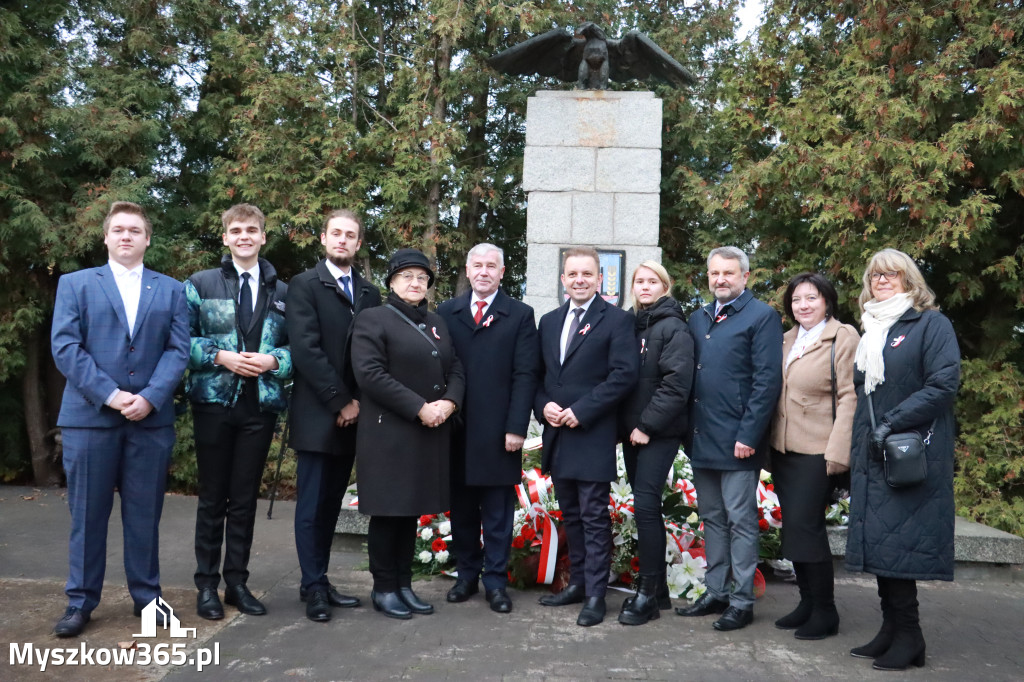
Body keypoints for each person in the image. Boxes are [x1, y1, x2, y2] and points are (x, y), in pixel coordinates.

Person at [50, 201, 190, 637]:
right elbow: (66, 347)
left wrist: (149, 397)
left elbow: (178, 350)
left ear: (147, 239)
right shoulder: (75, 284)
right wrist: (111, 396)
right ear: (106, 237)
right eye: (118, 230)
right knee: (87, 515)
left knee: (144, 514)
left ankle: (147, 598)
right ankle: (80, 601)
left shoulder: (170, 289)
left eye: (135, 230)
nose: (126, 236)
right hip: (89, 419)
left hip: (150, 420)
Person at [845, 248, 960, 671]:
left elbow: (944, 384)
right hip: (875, 452)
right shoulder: (873, 329)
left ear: (910, 280)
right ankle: (891, 630)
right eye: (875, 276)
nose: (882, 281)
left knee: (900, 544)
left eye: (892, 274)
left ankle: (910, 636)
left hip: (909, 451)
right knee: (881, 541)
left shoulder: (931, 324)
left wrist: (890, 423)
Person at [184, 203, 291, 620]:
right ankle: (207, 585)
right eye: (236, 230)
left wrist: (274, 361)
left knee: (244, 497)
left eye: (252, 230)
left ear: (263, 237)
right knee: (213, 497)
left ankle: (237, 583)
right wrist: (220, 356)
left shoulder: (282, 291)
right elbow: (182, 340)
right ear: (225, 237)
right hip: (213, 402)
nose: (244, 236)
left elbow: (299, 347)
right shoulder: (200, 283)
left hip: (259, 405)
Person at [351, 248, 465, 619]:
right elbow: (369, 374)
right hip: (389, 434)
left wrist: (450, 403)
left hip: (427, 432)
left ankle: (403, 584)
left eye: (421, 278)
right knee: (388, 512)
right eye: (406, 277)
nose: (415, 283)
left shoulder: (436, 322)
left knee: (410, 511)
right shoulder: (373, 319)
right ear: (391, 282)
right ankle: (383, 587)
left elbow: (457, 367)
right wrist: (420, 407)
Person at [676, 246, 782, 631]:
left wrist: (749, 434)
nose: (720, 279)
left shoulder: (761, 316)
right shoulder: (699, 317)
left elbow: (767, 381)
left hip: (738, 440)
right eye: (714, 273)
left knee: (740, 520)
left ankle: (741, 600)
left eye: (729, 273)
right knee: (712, 518)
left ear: (745, 277)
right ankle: (716, 590)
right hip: (702, 437)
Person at [534, 246, 638, 627]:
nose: (579, 280)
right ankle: (577, 583)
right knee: (572, 515)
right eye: (572, 274)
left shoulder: (615, 321)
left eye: (586, 274)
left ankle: (596, 594)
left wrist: (583, 410)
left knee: (594, 516)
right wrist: (542, 405)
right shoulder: (549, 321)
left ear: (599, 279)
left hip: (591, 433)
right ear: (563, 279)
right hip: (557, 433)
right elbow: (541, 377)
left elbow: (624, 375)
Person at [287, 209, 381, 622]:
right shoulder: (304, 285)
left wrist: (357, 401)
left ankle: (320, 579)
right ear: (323, 238)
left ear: (359, 244)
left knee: (330, 505)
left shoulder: (369, 293)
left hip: (354, 415)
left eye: (350, 235)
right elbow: (306, 350)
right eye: (336, 233)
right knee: (310, 505)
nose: (342, 240)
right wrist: (339, 400)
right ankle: (312, 587)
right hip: (318, 413)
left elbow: (372, 355)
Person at [438, 244, 540, 614]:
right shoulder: (446, 313)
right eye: (477, 265)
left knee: (497, 515)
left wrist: (517, 427)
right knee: (462, 511)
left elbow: (525, 374)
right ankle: (466, 576)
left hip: (500, 433)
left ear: (502, 271)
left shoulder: (520, 315)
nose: (483, 272)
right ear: (467, 270)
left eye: (491, 266)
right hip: (457, 429)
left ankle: (496, 582)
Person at [770, 273, 858, 639]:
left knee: (807, 527)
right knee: (794, 528)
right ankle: (807, 602)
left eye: (811, 298)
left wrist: (839, 453)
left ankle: (826, 611)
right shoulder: (787, 338)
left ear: (827, 301)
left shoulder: (842, 336)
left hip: (819, 451)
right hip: (784, 450)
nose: (803, 305)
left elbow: (849, 396)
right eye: (796, 299)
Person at [617, 261, 694, 625]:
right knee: (643, 506)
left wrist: (647, 425)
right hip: (632, 433)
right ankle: (659, 592)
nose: (645, 286)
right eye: (639, 281)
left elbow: (676, 385)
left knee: (646, 508)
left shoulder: (673, 326)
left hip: (656, 433)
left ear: (665, 286)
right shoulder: (633, 324)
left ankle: (646, 595)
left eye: (653, 281)